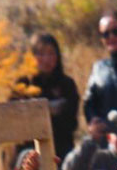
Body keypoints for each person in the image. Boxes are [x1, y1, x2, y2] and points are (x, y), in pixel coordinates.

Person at [13, 32, 80, 162]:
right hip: (28, 153)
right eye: (41, 54)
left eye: (51, 53)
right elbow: (15, 122)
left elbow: (71, 123)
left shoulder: (66, 84)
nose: (46, 59)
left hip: (60, 150)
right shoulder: (22, 84)